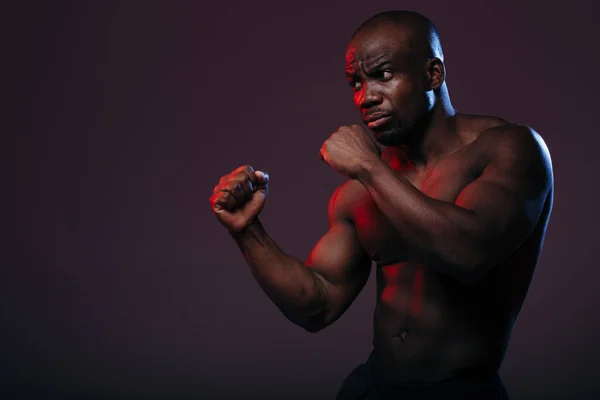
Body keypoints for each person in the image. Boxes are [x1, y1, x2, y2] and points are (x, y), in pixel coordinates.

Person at [209, 10, 553, 400]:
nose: (365, 97)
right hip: (373, 387)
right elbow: (317, 304)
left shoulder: (509, 148)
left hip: (461, 392)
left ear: (433, 75)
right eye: (355, 82)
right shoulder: (363, 190)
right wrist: (248, 231)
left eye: (383, 76)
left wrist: (369, 167)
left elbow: (468, 253)